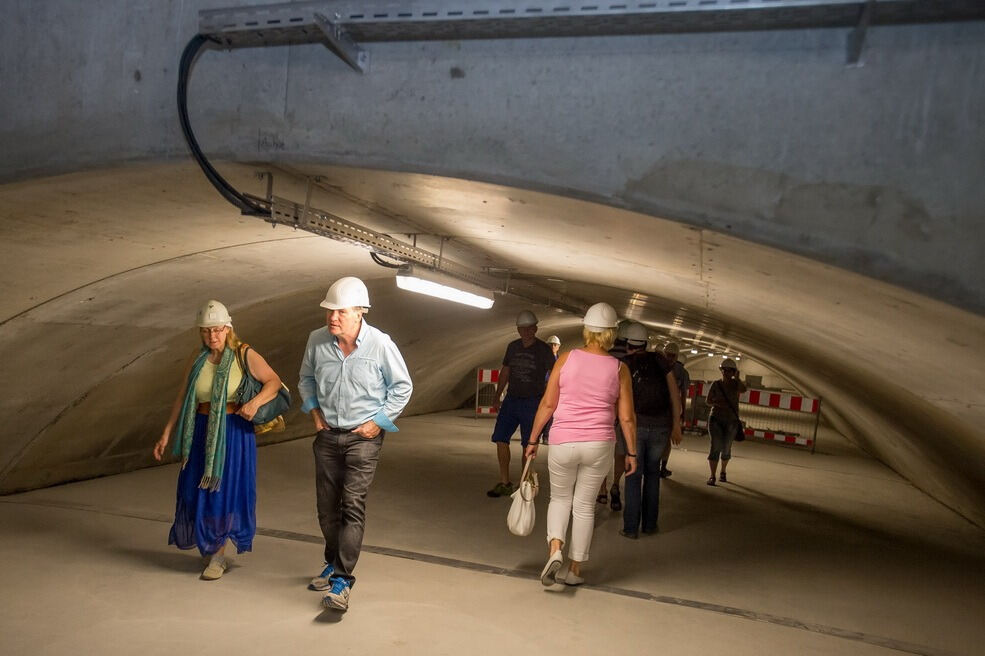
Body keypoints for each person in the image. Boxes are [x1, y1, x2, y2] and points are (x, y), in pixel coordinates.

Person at [298, 277, 413, 612]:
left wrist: (378, 422)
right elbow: (305, 379)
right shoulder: (316, 341)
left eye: (340, 311)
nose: (332, 317)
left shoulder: (380, 344)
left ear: (359, 313)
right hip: (327, 435)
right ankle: (333, 562)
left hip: (363, 440)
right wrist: (314, 411)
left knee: (352, 506)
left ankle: (342, 581)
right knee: (326, 509)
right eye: (329, 311)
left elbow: (402, 387)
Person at [154, 300, 283, 580]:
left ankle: (219, 555)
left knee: (222, 491)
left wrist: (254, 403)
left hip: (232, 430)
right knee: (194, 488)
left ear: (228, 328)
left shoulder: (243, 354)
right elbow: (183, 395)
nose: (212, 336)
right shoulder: (198, 358)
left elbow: (274, 382)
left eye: (217, 330)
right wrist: (167, 431)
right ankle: (210, 542)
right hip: (200, 427)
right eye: (205, 331)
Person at [525, 303, 637, 587]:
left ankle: (555, 550)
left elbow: (548, 403)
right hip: (599, 444)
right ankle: (574, 570)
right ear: (612, 334)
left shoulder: (566, 358)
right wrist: (632, 452)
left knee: (559, 499)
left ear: (587, 329)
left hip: (564, 440)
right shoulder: (619, 368)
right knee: (585, 506)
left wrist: (533, 438)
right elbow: (626, 417)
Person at [486, 310, 556, 497]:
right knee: (500, 438)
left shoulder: (543, 350)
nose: (526, 332)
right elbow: (506, 371)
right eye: (522, 329)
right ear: (518, 330)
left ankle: (525, 483)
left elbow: (554, 375)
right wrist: (497, 395)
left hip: (533, 402)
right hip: (511, 399)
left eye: (529, 328)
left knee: (528, 444)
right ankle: (504, 482)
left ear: (535, 328)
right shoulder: (513, 347)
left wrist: (549, 398)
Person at [620, 333, 683, 538]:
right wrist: (676, 424)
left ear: (628, 344)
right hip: (660, 426)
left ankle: (630, 528)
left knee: (633, 475)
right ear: (645, 344)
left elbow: (618, 395)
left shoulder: (625, 363)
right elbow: (675, 394)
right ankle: (649, 525)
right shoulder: (661, 361)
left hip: (636, 426)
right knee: (653, 474)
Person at [599, 320, 646, 510]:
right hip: (625, 413)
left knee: (603, 453)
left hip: (607, 412)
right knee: (620, 453)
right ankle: (615, 485)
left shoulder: (607, 357)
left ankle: (601, 490)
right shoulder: (633, 361)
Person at [705, 358, 747, 486]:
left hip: (731, 421)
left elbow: (743, 389)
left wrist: (738, 378)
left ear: (734, 372)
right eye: (724, 370)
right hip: (716, 419)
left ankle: (723, 471)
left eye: (730, 371)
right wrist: (717, 403)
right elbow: (708, 401)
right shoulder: (716, 384)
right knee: (715, 446)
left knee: (726, 447)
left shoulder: (735, 385)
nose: (726, 373)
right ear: (721, 371)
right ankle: (712, 475)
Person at [659, 342, 690, 478]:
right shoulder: (658, 366)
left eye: (672, 356)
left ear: (676, 356)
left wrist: (682, 412)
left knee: (666, 440)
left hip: (671, 409)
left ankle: (663, 466)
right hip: (658, 407)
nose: (670, 358)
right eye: (668, 355)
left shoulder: (682, 372)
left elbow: (683, 394)